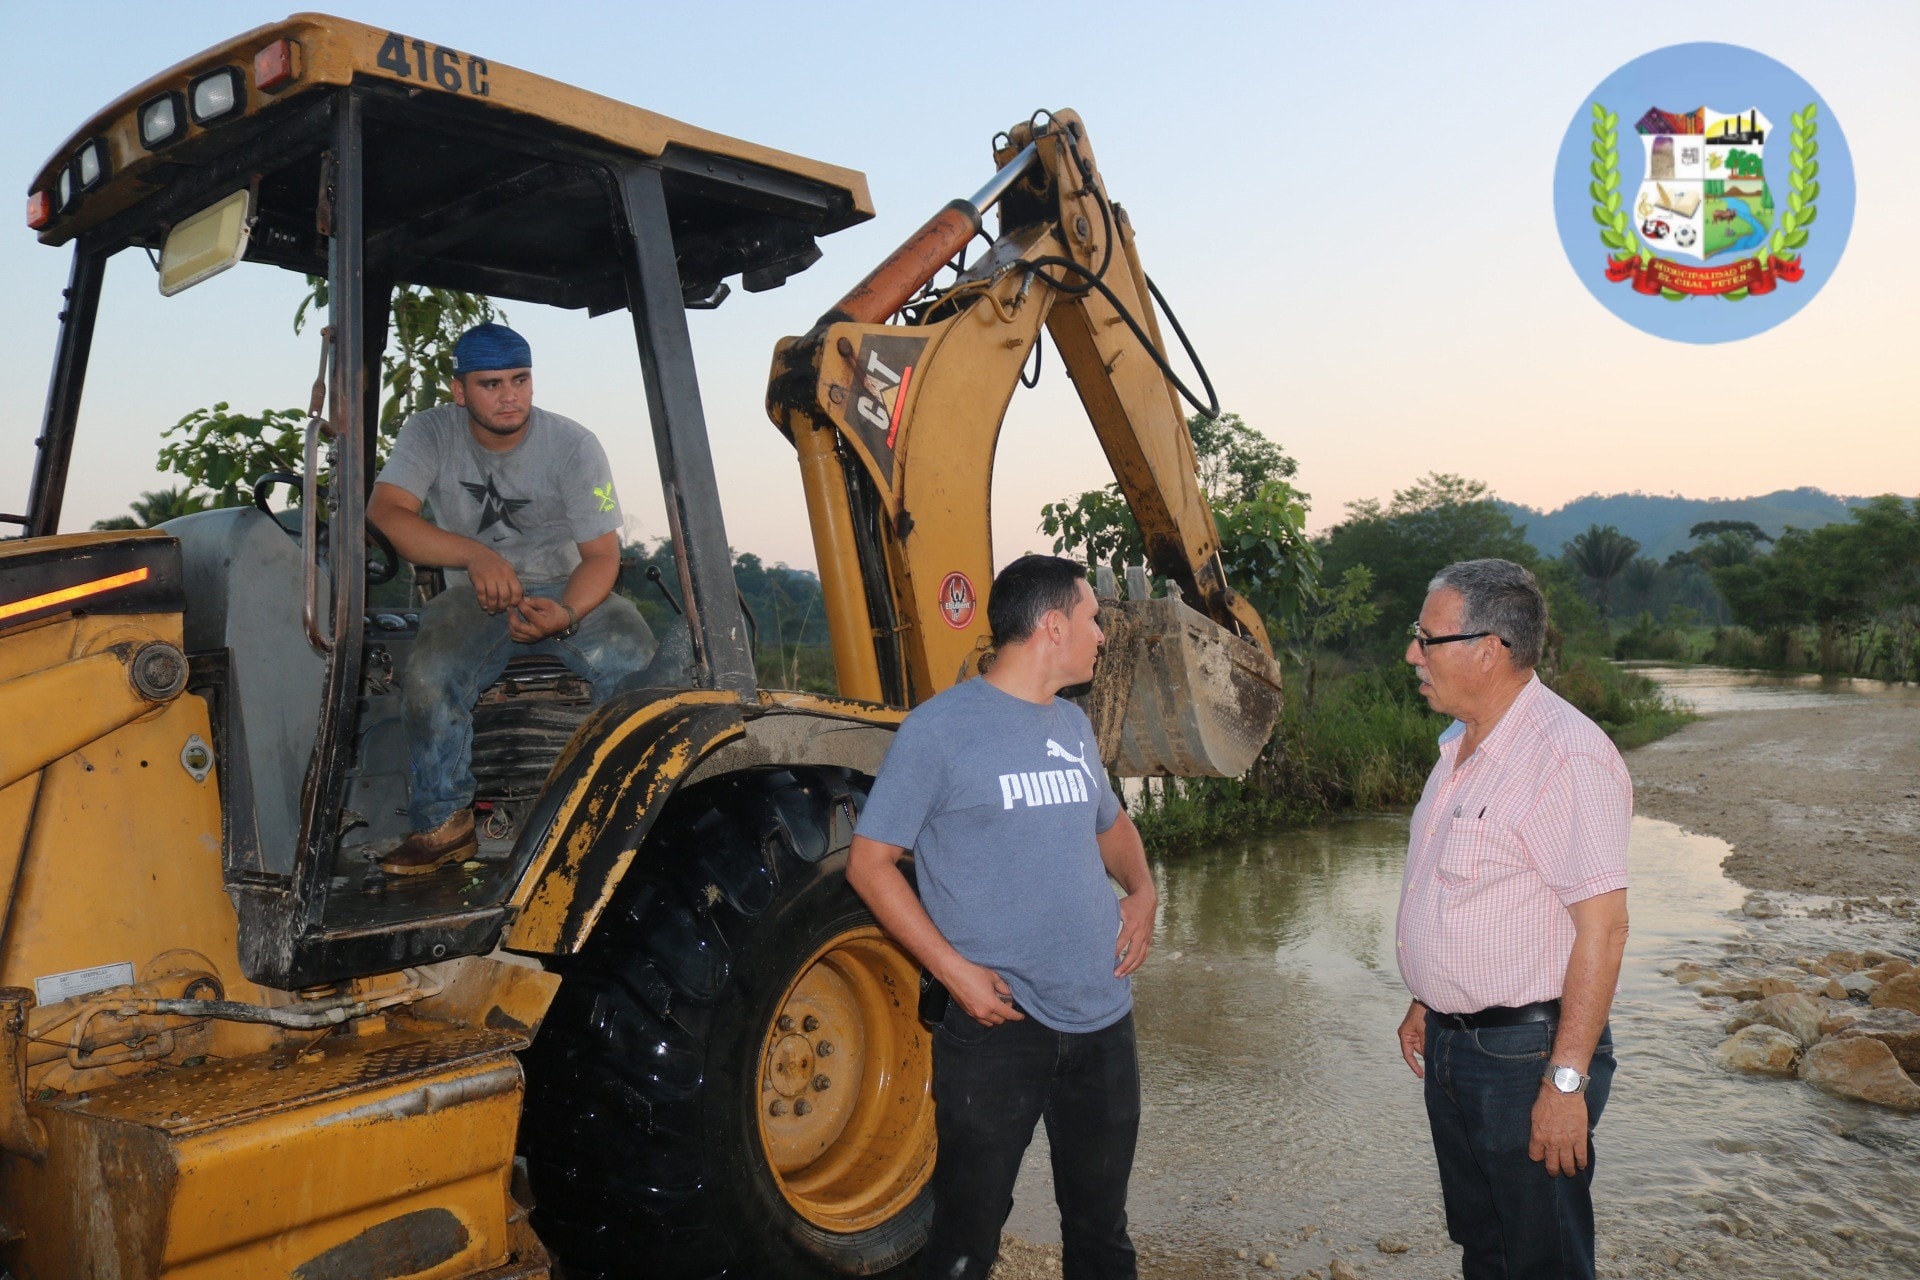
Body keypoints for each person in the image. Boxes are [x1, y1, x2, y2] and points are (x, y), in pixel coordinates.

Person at [848, 554, 1156, 1280]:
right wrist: (953, 973)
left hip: (1103, 1017)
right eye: (1092, 619)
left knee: (1102, 1230)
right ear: (1053, 626)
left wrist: (1142, 893)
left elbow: (1111, 827)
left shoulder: (1074, 727)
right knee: (965, 1236)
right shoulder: (938, 731)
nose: (1101, 636)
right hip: (998, 1027)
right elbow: (870, 862)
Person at [1394, 559, 1632, 1280]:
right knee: (1485, 1242)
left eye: (1427, 638)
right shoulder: (1460, 747)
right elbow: (1463, 889)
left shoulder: (1566, 757)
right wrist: (1425, 998)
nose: (1412, 654)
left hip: (1526, 1057)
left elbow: (1604, 930)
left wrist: (1566, 1086)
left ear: (1489, 648)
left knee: (1543, 1258)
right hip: (1454, 1046)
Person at [368, 322, 655, 875]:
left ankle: (628, 813)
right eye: (491, 384)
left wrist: (568, 612)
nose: (509, 396)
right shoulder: (430, 432)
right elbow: (386, 513)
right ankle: (444, 823)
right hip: (475, 596)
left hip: (568, 588)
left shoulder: (574, 445)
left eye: (520, 380)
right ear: (460, 391)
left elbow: (601, 557)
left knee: (634, 656)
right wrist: (475, 556)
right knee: (428, 672)